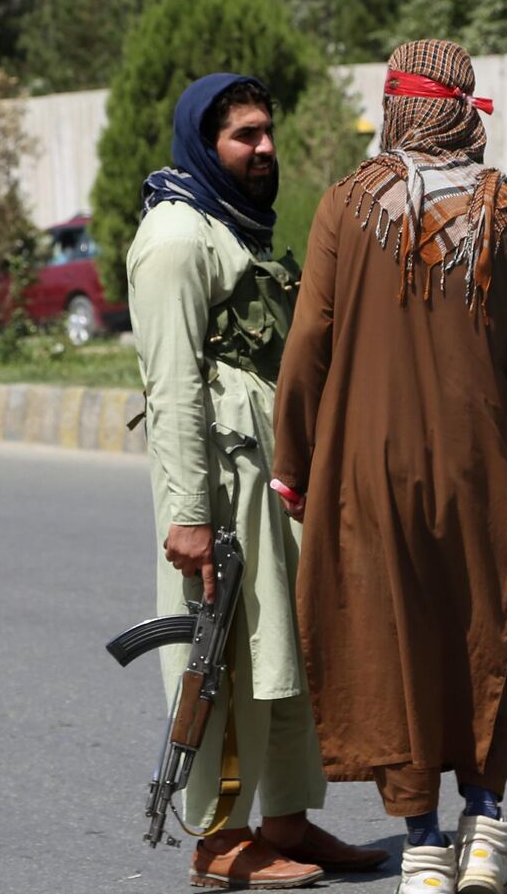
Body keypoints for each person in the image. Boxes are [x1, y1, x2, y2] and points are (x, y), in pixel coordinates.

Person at [272, 40, 507, 894]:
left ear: (395, 108)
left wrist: (292, 463)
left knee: (397, 646)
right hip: (475, 472)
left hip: (366, 478)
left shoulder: (346, 205)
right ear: (464, 112)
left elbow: (308, 346)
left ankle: (422, 841)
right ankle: (485, 825)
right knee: (480, 636)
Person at [128, 73, 387, 889]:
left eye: (267, 132)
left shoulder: (229, 227)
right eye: (245, 136)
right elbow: (170, 388)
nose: (265, 148)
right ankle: (218, 838)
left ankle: (285, 822)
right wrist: (189, 516)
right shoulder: (174, 239)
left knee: (282, 647)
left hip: (266, 475)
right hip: (220, 484)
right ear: (206, 145)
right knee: (225, 655)